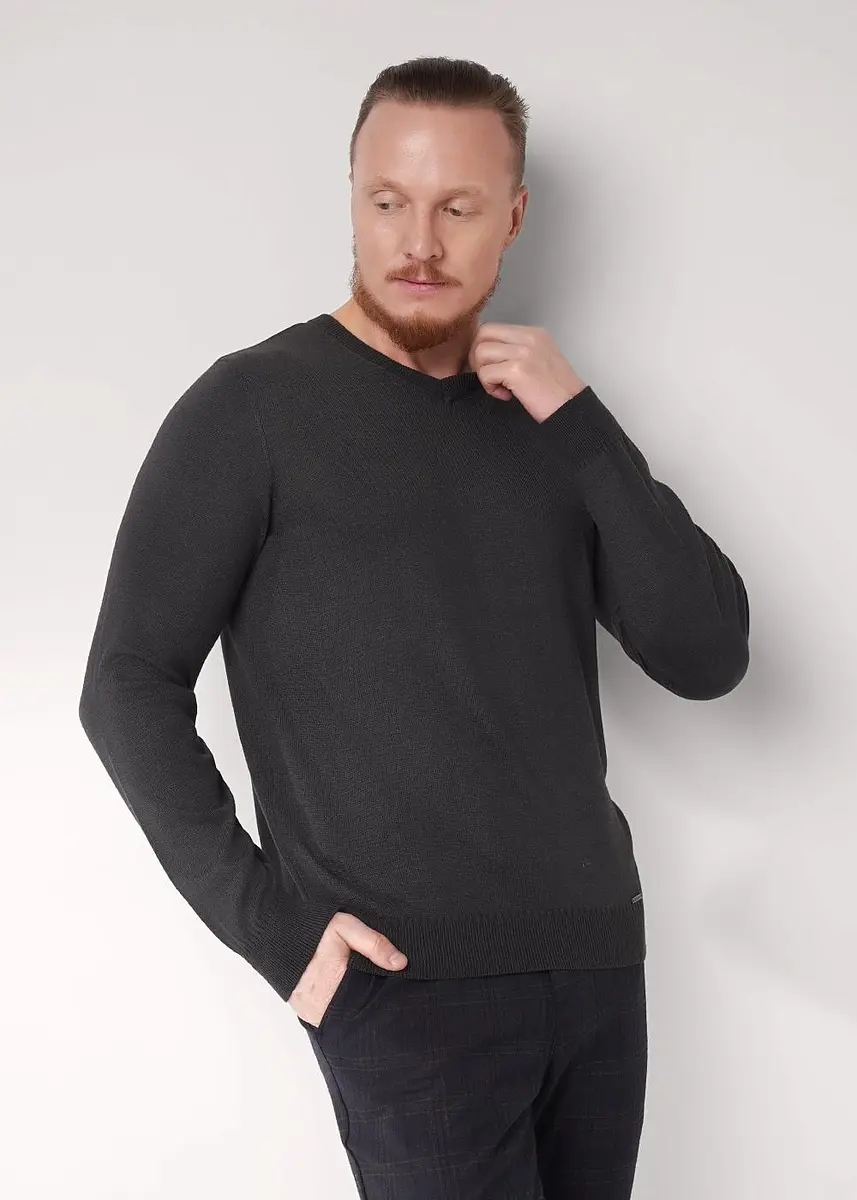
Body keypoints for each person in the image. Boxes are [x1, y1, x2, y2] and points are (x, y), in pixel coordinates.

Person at [78, 54, 750, 1200]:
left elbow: (706, 655)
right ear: (351, 198)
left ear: (513, 217)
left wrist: (582, 426)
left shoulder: (549, 422)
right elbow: (127, 684)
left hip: (596, 971)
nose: (419, 243)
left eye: (457, 207)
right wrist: (277, 933)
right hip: (403, 996)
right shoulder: (251, 409)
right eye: (388, 201)